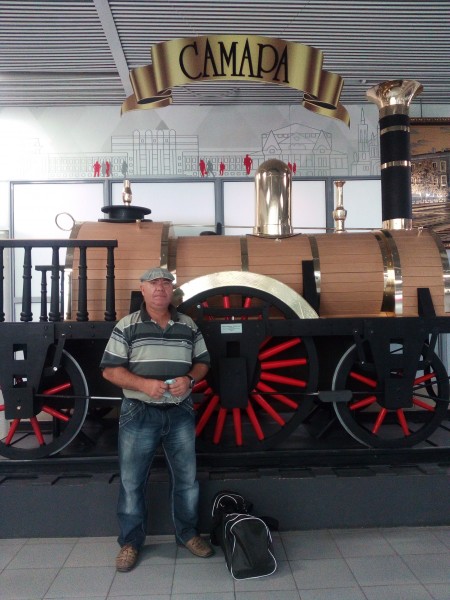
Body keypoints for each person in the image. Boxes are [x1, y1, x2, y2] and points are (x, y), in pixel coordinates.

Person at [100, 267, 213, 572]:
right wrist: (143, 385)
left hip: (180, 410)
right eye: (154, 283)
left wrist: (190, 379)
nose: (160, 288)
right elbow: (110, 370)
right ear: (143, 289)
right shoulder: (127, 325)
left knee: (187, 480)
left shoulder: (187, 325)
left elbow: (203, 362)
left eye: (165, 283)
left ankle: (188, 534)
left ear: (172, 290)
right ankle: (130, 542)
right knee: (132, 481)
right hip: (139, 411)